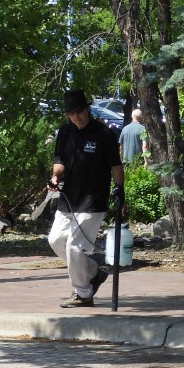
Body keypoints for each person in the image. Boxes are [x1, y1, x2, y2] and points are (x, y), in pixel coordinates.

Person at [48, 89, 124, 308]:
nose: (76, 117)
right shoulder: (65, 133)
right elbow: (59, 162)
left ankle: (83, 294)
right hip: (69, 199)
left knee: (74, 247)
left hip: (93, 200)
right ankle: (93, 272)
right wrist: (55, 177)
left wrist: (120, 190)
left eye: (79, 112)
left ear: (87, 109)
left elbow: (116, 166)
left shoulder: (103, 133)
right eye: (71, 114)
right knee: (55, 241)